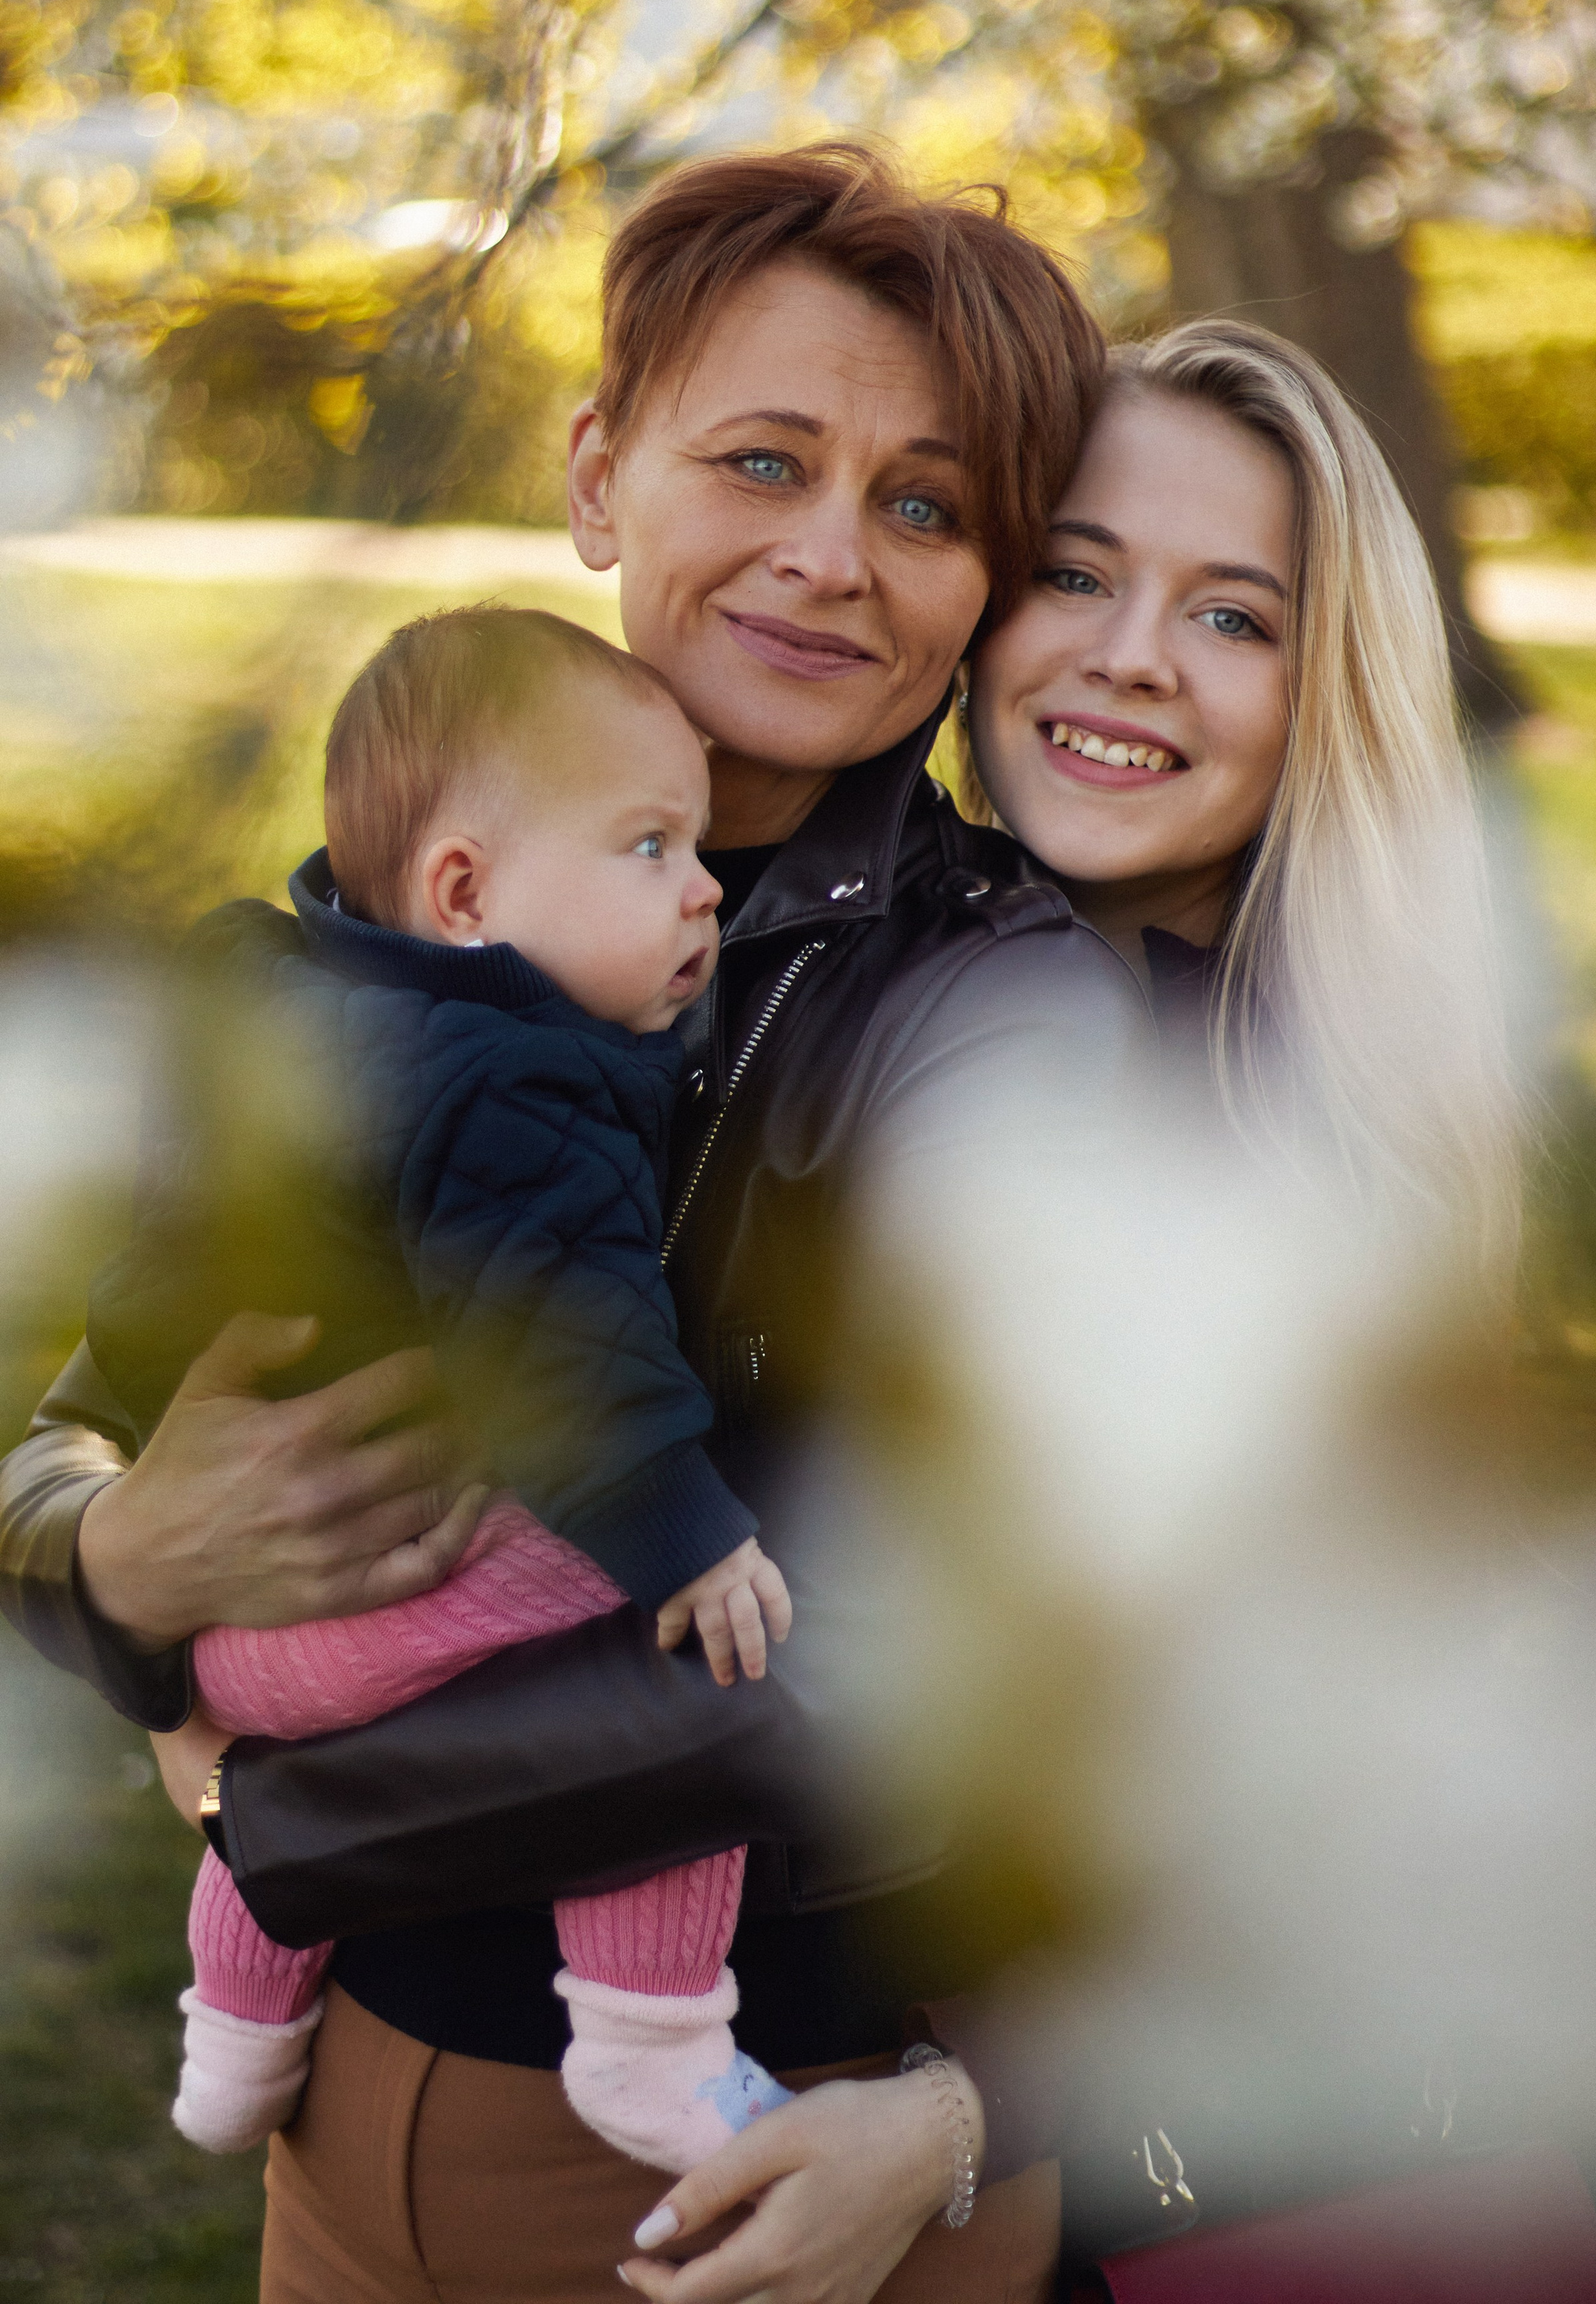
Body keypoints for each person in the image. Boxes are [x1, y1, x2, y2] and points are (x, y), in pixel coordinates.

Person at [0, 143, 1136, 2304]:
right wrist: (118, 1562)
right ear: (603, 477)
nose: (829, 555)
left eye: (924, 508)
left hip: (747, 2133)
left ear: (989, 583)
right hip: (339, 2117)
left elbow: (915, 1662)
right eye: (764, 461)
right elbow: (90, 1410)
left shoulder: (994, 1014)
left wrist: (262, 1789)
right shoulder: (406, 906)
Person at [86, 603, 802, 2170]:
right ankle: (650, 2038)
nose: (703, 889)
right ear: (465, 894)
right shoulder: (514, 1085)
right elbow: (570, 1349)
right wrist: (686, 1536)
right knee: (681, 1645)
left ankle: (237, 2028)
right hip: (374, 1599)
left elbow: (143, 1296)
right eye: (650, 846)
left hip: (239, 1635)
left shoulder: (293, 1009)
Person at [959, 322, 1517, 1264]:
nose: (1130, 659)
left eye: (1231, 619)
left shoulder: (1313, 1179)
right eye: (1074, 575)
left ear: (1334, 700)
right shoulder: (807, 953)